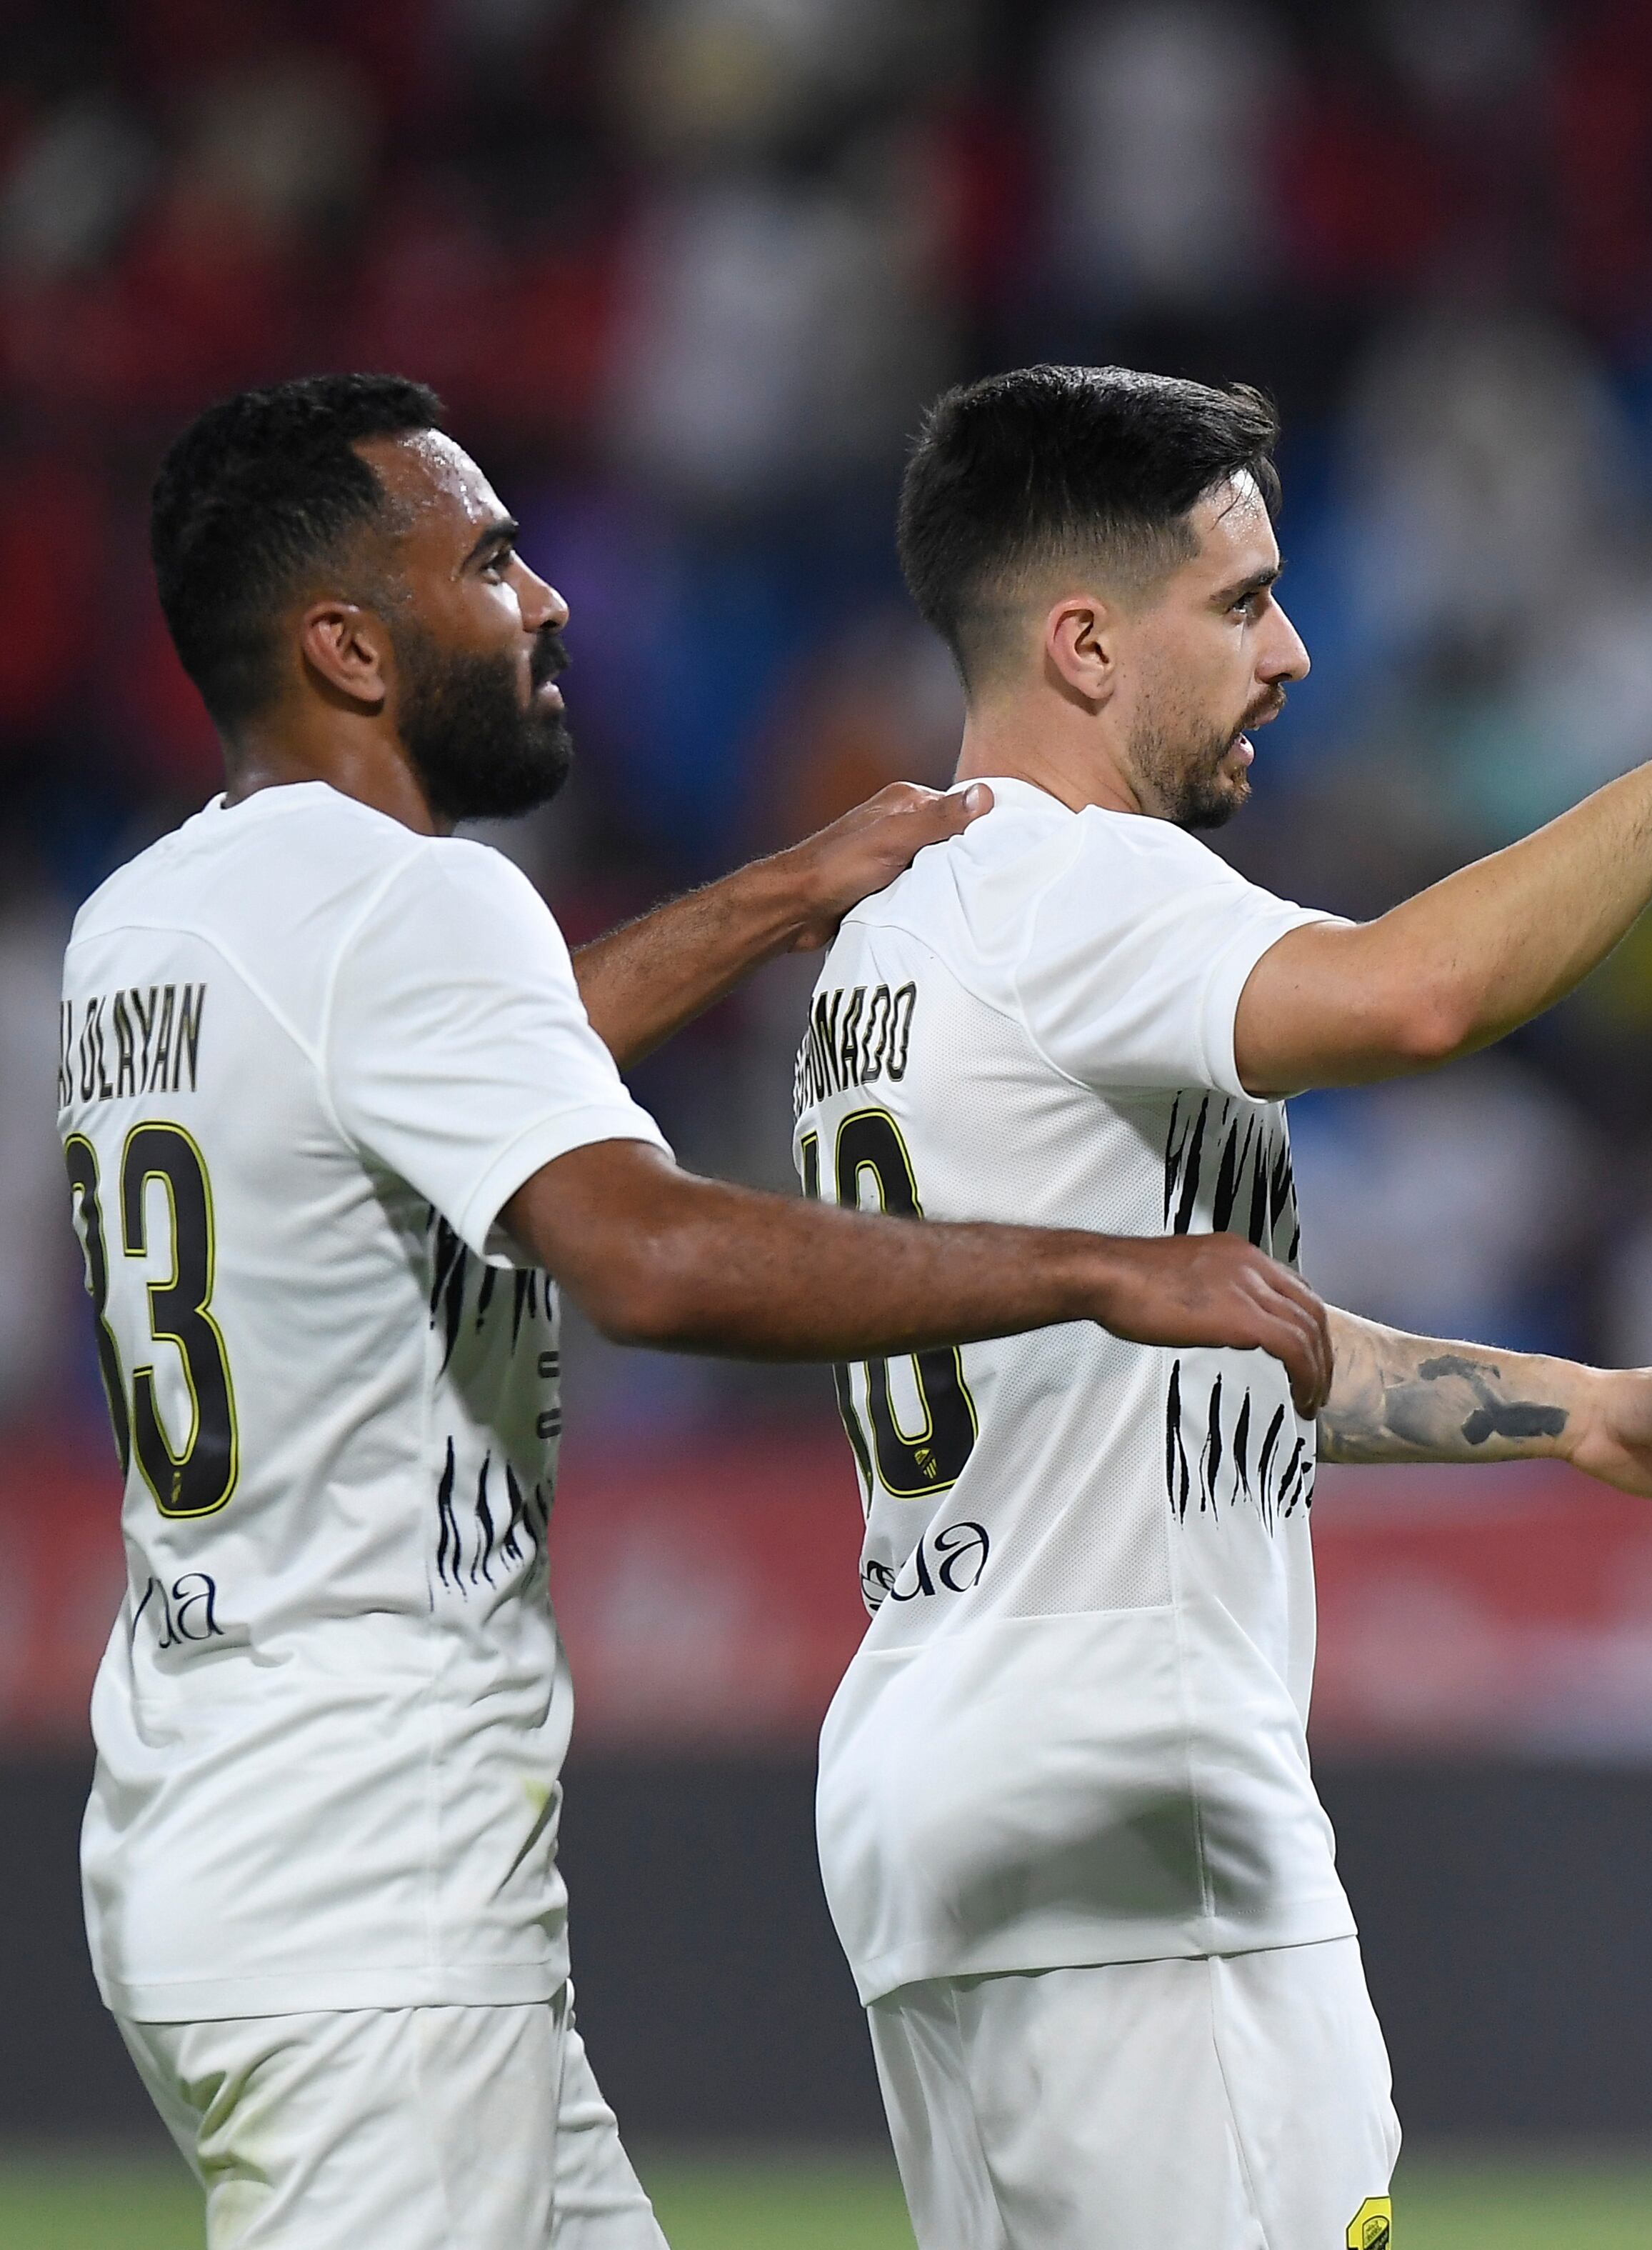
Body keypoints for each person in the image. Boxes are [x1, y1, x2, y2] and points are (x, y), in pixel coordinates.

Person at [77, 372, 1341, 2250]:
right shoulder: (419, 902)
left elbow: (459, 1075)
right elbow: (643, 1254)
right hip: (370, 1883)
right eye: (491, 560)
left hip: (204, 1825)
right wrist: (1093, 1263)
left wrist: (770, 899)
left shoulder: (158, 916)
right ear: (349, 644)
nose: (551, 599)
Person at [794, 365, 1652, 2250]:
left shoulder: (894, 938)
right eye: (1237, 601)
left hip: (934, 1751)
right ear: (1081, 642)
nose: (1294, 650)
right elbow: (1415, 998)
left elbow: (1227, 1339)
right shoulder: (1077, 885)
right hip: (1130, 1777)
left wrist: (1572, 1411)